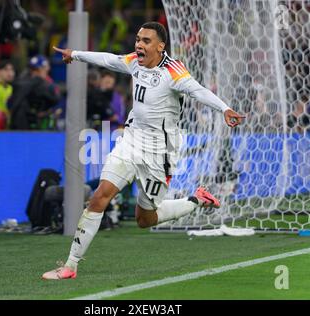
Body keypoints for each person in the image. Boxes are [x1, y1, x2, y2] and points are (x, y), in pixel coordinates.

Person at [43, 22, 245, 280]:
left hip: (159, 153)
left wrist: (224, 108)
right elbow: (109, 59)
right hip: (131, 141)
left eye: (146, 41)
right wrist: (76, 54)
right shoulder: (134, 61)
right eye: (138, 39)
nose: (139, 44)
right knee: (99, 197)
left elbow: (198, 90)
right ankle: (70, 265)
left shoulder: (173, 71)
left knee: (145, 219)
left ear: (161, 46)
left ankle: (196, 200)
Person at [9, 55, 60, 130]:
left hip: (43, 123)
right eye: (33, 69)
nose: (34, 72)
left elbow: (56, 100)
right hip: (24, 124)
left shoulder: (48, 84)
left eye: (38, 70)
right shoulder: (23, 83)